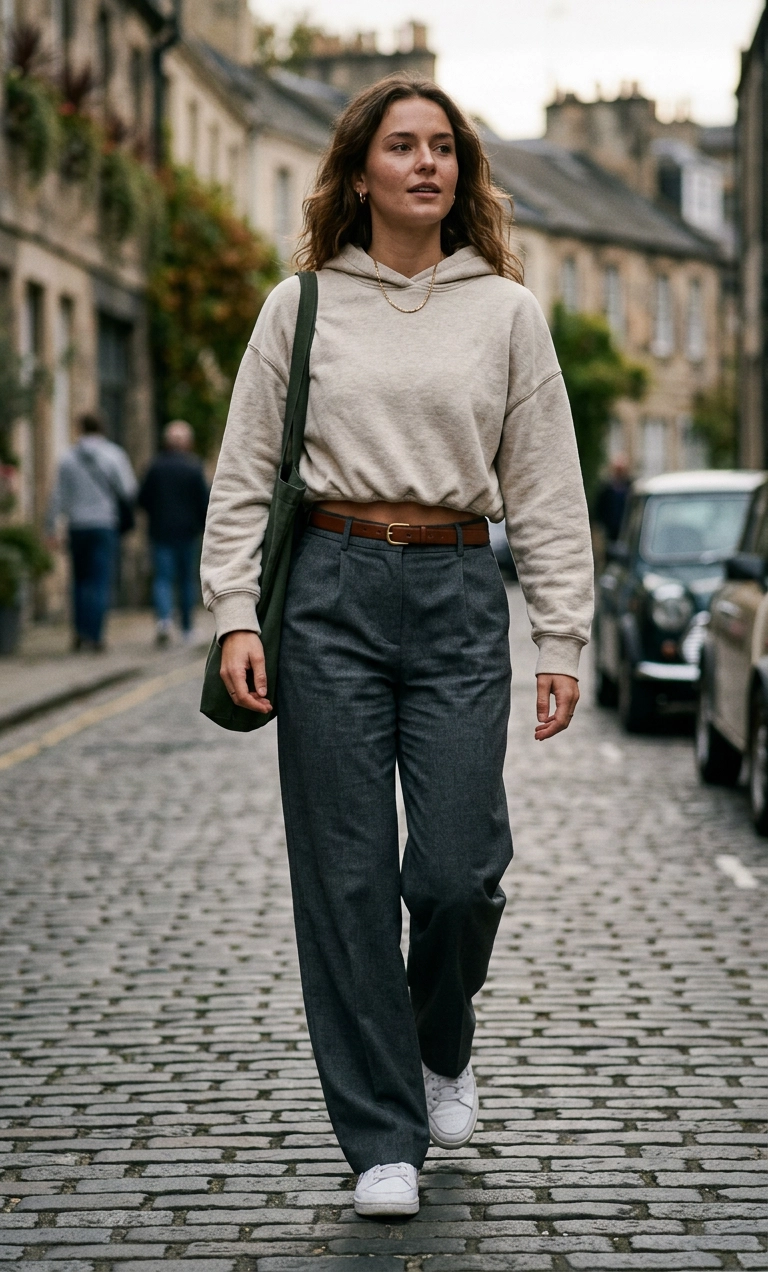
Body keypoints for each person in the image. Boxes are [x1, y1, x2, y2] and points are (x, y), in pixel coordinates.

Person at [201, 76, 594, 1218]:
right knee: (350, 876)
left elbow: (549, 488)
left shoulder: (508, 313)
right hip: (326, 590)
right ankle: (383, 1132)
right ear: (360, 169)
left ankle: (441, 1037)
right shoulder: (303, 303)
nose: (426, 164)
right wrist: (237, 611)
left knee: (457, 871)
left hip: (462, 585)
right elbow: (241, 480)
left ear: (462, 174)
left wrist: (561, 631)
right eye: (401, 146)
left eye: (444, 149)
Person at [47, 411, 137, 651]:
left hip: (77, 526)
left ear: (80, 429)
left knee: (79, 580)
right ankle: (96, 636)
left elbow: (57, 496)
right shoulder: (114, 455)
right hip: (105, 525)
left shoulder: (67, 458)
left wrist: (50, 527)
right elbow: (129, 490)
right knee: (100, 580)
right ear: (102, 428)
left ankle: (79, 632)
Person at [138, 420, 209, 645]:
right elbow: (204, 503)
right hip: (187, 532)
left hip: (161, 531)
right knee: (186, 580)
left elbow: (142, 499)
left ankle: (164, 620)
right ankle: (187, 628)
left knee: (163, 578)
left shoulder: (155, 467)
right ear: (188, 443)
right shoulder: (194, 467)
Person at [595, 454, 631, 542]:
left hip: (627, 527)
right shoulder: (606, 488)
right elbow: (600, 507)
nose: (620, 472)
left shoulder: (630, 487)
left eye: (621, 470)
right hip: (611, 528)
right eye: (618, 470)